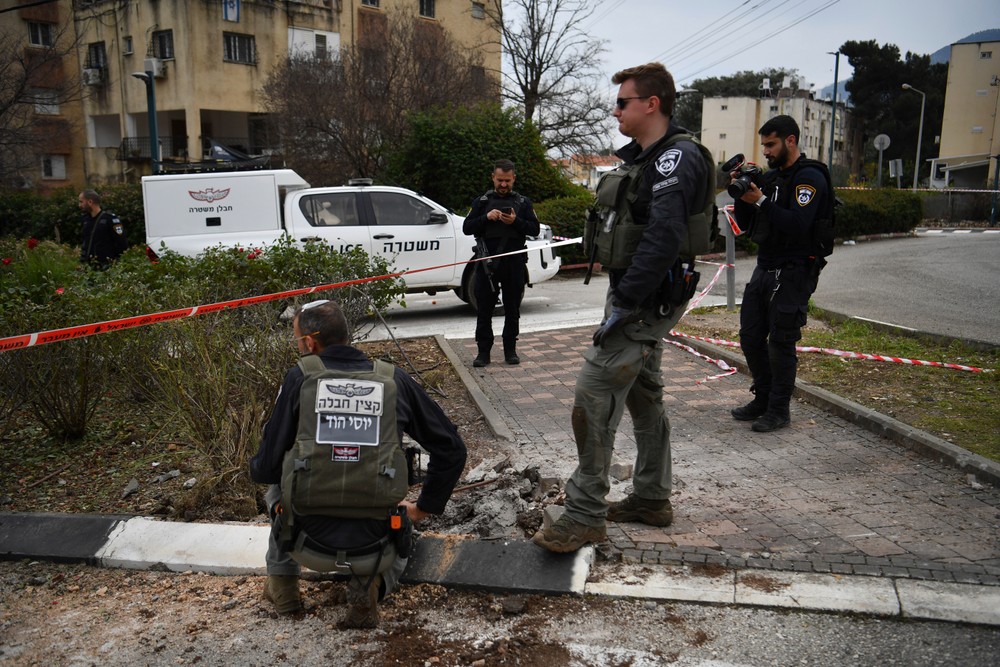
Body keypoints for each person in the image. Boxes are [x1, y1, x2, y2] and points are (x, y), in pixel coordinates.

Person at [532, 63, 716, 553]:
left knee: (593, 397)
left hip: (644, 300)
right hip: (636, 297)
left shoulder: (676, 159)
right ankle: (652, 498)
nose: (615, 109)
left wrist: (628, 301)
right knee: (644, 395)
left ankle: (585, 513)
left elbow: (663, 236)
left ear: (651, 104)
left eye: (623, 101)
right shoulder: (649, 158)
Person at [249, 299, 467, 627]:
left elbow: (265, 466)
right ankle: (370, 585)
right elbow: (451, 449)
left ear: (310, 342)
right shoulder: (395, 381)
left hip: (305, 540)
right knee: (400, 526)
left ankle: (283, 588)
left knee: (278, 480)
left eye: (299, 342)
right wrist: (424, 507)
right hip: (376, 542)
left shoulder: (299, 379)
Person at [728, 115, 832, 433]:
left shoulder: (810, 178)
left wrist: (760, 199)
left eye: (771, 144)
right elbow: (747, 224)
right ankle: (762, 398)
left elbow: (798, 225)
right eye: (764, 146)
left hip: (795, 269)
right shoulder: (772, 180)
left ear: (790, 140)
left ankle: (778, 409)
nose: (767, 152)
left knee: (780, 342)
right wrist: (743, 195)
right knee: (750, 336)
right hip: (765, 266)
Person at [462, 159, 540, 367]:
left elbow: (535, 229)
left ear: (514, 178)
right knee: (484, 309)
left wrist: (516, 222)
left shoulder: (523, 203)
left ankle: (510, 350)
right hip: (486, 264)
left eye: (507, 180)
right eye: (499, 180)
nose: (503, 185)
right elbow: (467, 228)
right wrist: (486, 218)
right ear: (493, 178)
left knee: (512, 308)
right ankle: (483, 353)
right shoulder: (481, 202)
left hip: (513, 263)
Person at [78, 189, 127, 267]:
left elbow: (121, 244)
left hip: (106, 267)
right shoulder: (86, 220)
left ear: (90, 202)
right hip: (89, 267)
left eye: (81, 202)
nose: (79, 205)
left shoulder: (110, 220)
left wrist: (115, 263)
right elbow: (86, 243)